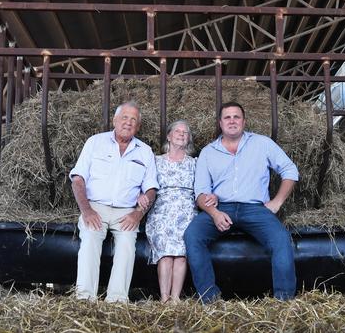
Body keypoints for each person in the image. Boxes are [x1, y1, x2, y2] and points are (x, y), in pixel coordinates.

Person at [184, 102, 299, 303]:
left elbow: (290, 171)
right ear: (220, 123)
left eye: (236, 117)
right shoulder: (208, 152)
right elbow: (200, 193)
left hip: (255, 209)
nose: (232, 121)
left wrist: (277, 202)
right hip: (221, 209)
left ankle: (284, 301)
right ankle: (210, 299)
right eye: (227, 117)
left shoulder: (262, 143)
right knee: (192, 235)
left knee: (281, 238)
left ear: (244, 121)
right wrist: (214, 213)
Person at [70, 101, 158, 303]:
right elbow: (77, 179)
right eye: (124, 118)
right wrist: (86, 211)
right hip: (95, 207)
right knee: (91, 238)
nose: (128, 123)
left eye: (133, 120)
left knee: (127, 245)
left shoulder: (145, 151)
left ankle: (117, 300)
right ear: (115, 120)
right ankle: (85, 298)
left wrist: (138, 214)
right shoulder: (95, 142)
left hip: (126, 211)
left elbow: (151, 189)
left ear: (138, 126)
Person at [142, 120, 217, 303]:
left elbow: (204, 186)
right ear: (169, 136)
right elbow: (146, 183)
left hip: (186, 209)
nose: (182, 134)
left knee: (181, 255)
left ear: (189, 139)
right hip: (161, 210)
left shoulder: (195, 163)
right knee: (166, 254)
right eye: (178, 131)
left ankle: (176, 299)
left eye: (185, 132)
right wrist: (140, 195)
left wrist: (212, 196)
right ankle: (164, 298)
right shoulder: (155, 161)